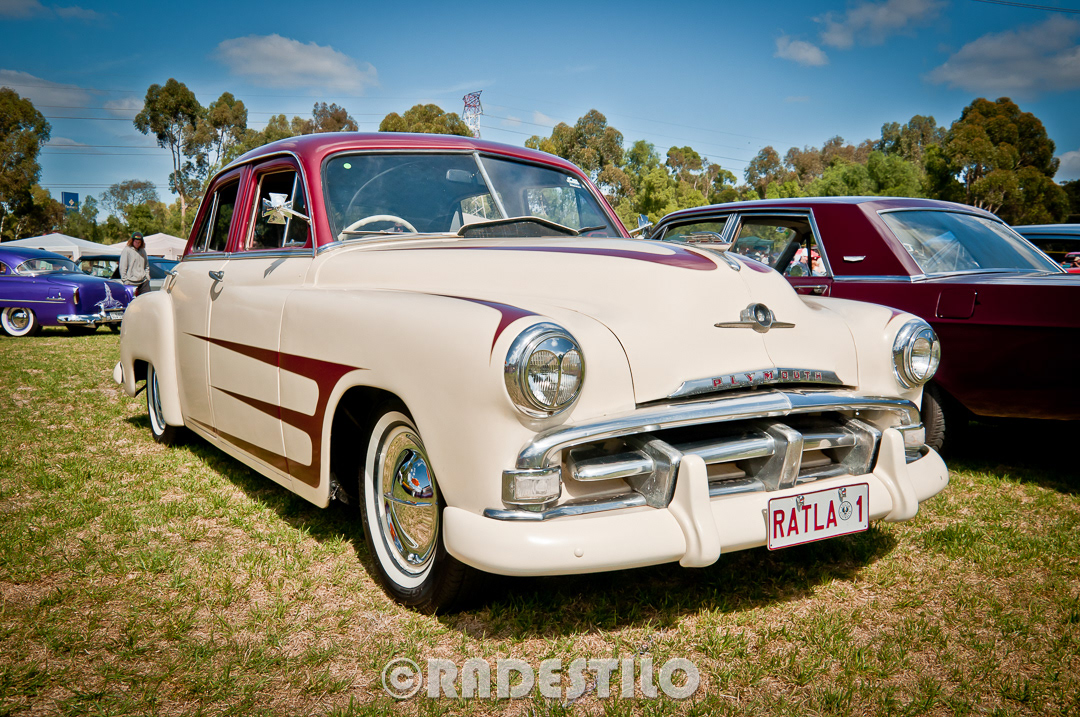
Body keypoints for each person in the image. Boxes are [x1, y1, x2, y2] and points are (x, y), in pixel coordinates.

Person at [120, 231, 150, 296]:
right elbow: (123, 267)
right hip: (130, 282)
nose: (137, 244)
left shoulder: (143, 251)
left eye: (139, 242)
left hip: (143, 281)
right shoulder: (127, 250)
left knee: (147, 299)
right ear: (132, 241)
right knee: (132, 301)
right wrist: (125, 280)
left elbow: (146, 266)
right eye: (136, 242)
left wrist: (147, 277)